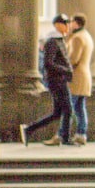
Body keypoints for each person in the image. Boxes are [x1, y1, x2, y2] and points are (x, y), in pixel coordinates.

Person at [24, 14, 73, 146]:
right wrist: (66, 70)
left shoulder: (59, 40)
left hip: (59, 80)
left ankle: (29, 129)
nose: (68, 26)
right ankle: (65, 139)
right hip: (57, 81)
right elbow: (48, 63)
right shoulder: (53, 41)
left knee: (57, 113)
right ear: (58, 25)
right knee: (68, 109)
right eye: (66, 23)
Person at [65, 12, 95, 146]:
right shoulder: (87, 36)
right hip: (85, 76)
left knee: (69, 107)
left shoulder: (77, 38)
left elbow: (73, 59)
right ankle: (81, 133)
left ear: (76, 23)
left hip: (76, 76)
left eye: (71, 22)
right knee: (79, 107)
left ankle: (63, 134)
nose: (69, 24)